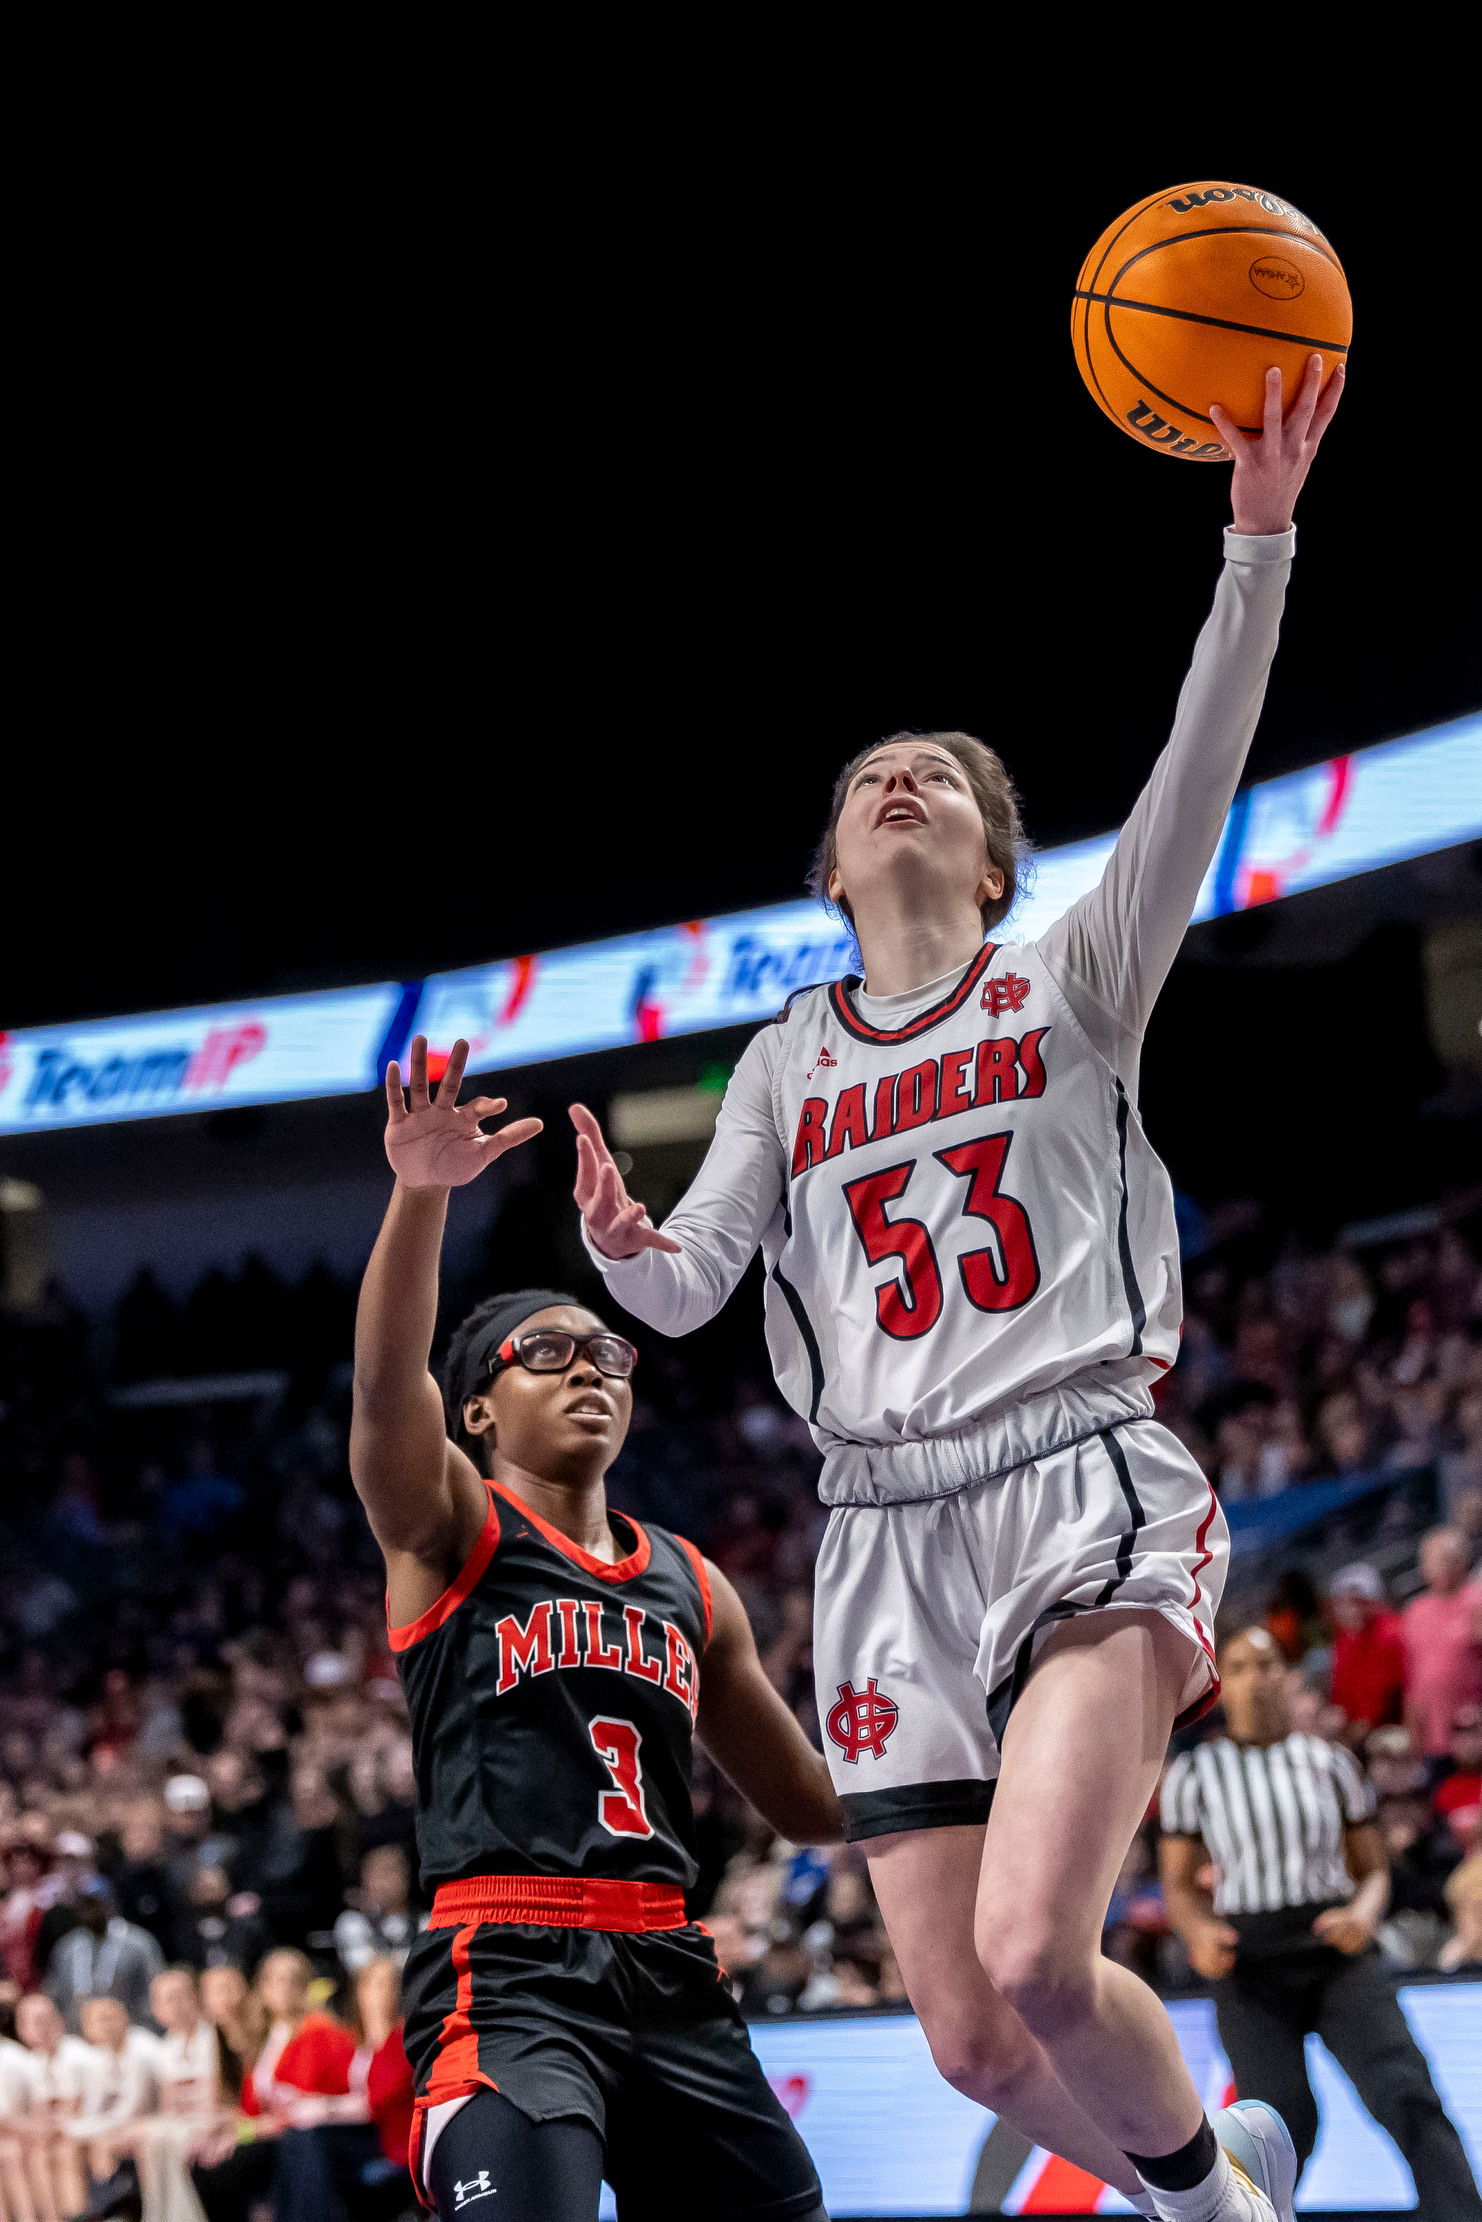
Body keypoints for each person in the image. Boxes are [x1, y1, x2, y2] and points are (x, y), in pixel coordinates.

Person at [567, 359, 1345, 2222]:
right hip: (879, 1535)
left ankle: (1214, 2207)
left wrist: (1256, 535)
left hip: (1077, 1478)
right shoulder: (779, 1061)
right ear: (831, 864)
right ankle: (1199, 2168)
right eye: (861, 782)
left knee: (1029, 1947)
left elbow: (1202, 757)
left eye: (936, 777)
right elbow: (683, 1305)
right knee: (970, 2039)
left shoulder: (1072, 973)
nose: (893, 778)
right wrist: (617, 1246)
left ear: (990, 859)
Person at [351, 1041, 843, 2220]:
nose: (592, 1370)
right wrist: (422, 1194)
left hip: (673, 1966)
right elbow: (383, 1388)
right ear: (479, 1404)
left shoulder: (693, 1579)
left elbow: (814, 1805)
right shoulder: (451, 1524)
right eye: (550, 1353)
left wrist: (981, 1753)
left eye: (611, 1353)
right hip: (511, 1968)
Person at [1159, 1626, 1481, 2218]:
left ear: (1287, 1676)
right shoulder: (1195, 1774)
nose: (1257, 1679)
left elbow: (1374, 1868)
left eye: (1267, 1665)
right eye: (1241, 1667)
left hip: (1333, 1945)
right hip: (1248, 1957)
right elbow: (1179, 1884)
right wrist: (1198, 1930)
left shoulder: (1331, 1763)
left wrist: (1363, 1913)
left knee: (1405, 2090)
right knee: (1280, 2120)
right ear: (1222, 1684)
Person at [1402, 1527, 1482, 1769]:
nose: (1434, 1568)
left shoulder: (1476, 1601)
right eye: (1429, 1561)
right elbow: (1413, 1682)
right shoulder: (1416, 1611)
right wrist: (1413, 1738)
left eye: (1442, 1560)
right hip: (1432, 1741)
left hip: (1472, 1736)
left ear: (1461, 1561)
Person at [44, 1878, 165, 2035]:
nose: (89, 1911)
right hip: (80, 2038)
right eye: (83, 1904)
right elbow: (55, 1995)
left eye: (94, 1904)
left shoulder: (138, 1943)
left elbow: (155, 1989)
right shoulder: (66, 1949)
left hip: (132, 2035)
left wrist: (147, 2030)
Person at [1327, 1564, 1404, 1741]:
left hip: (1392, 1728)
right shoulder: (1345, 1639)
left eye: (1356, 1602)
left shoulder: (1391, 1633)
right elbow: (1341, 1693)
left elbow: (1386, 1693)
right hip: (1362, 1731)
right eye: (1342, 1603)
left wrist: (1361, 1724)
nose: (1349, 1609)